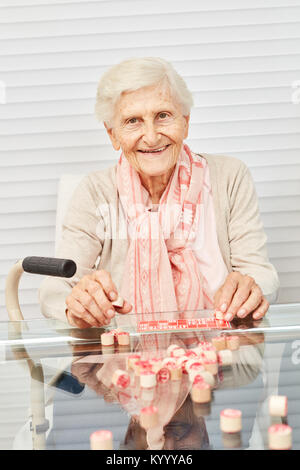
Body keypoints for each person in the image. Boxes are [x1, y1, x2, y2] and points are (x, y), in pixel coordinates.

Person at [39, 57, 279, 329]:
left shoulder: (230, 177)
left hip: (220, 355)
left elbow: (262, 275)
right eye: (132, 121)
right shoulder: (95, 192)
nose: (152, 137)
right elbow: (54, 290)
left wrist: (251, 288)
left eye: (163, 116)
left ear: (185, 122)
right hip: (125, 361)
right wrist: (77, 304)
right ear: (113, 135)